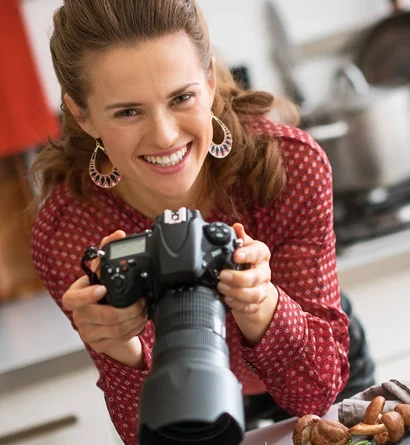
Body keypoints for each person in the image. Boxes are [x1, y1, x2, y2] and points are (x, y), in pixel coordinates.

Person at [29, 1, 358, 443]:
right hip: (182, 399)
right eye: (128, 112)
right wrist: (122, 351)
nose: (165, 135)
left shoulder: (288, 167)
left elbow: (315, 392)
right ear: (83, 115)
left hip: (311, 361)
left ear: (207, 81)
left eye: (181, 97)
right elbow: (148, 436)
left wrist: (265, 306)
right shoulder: (69, 231)